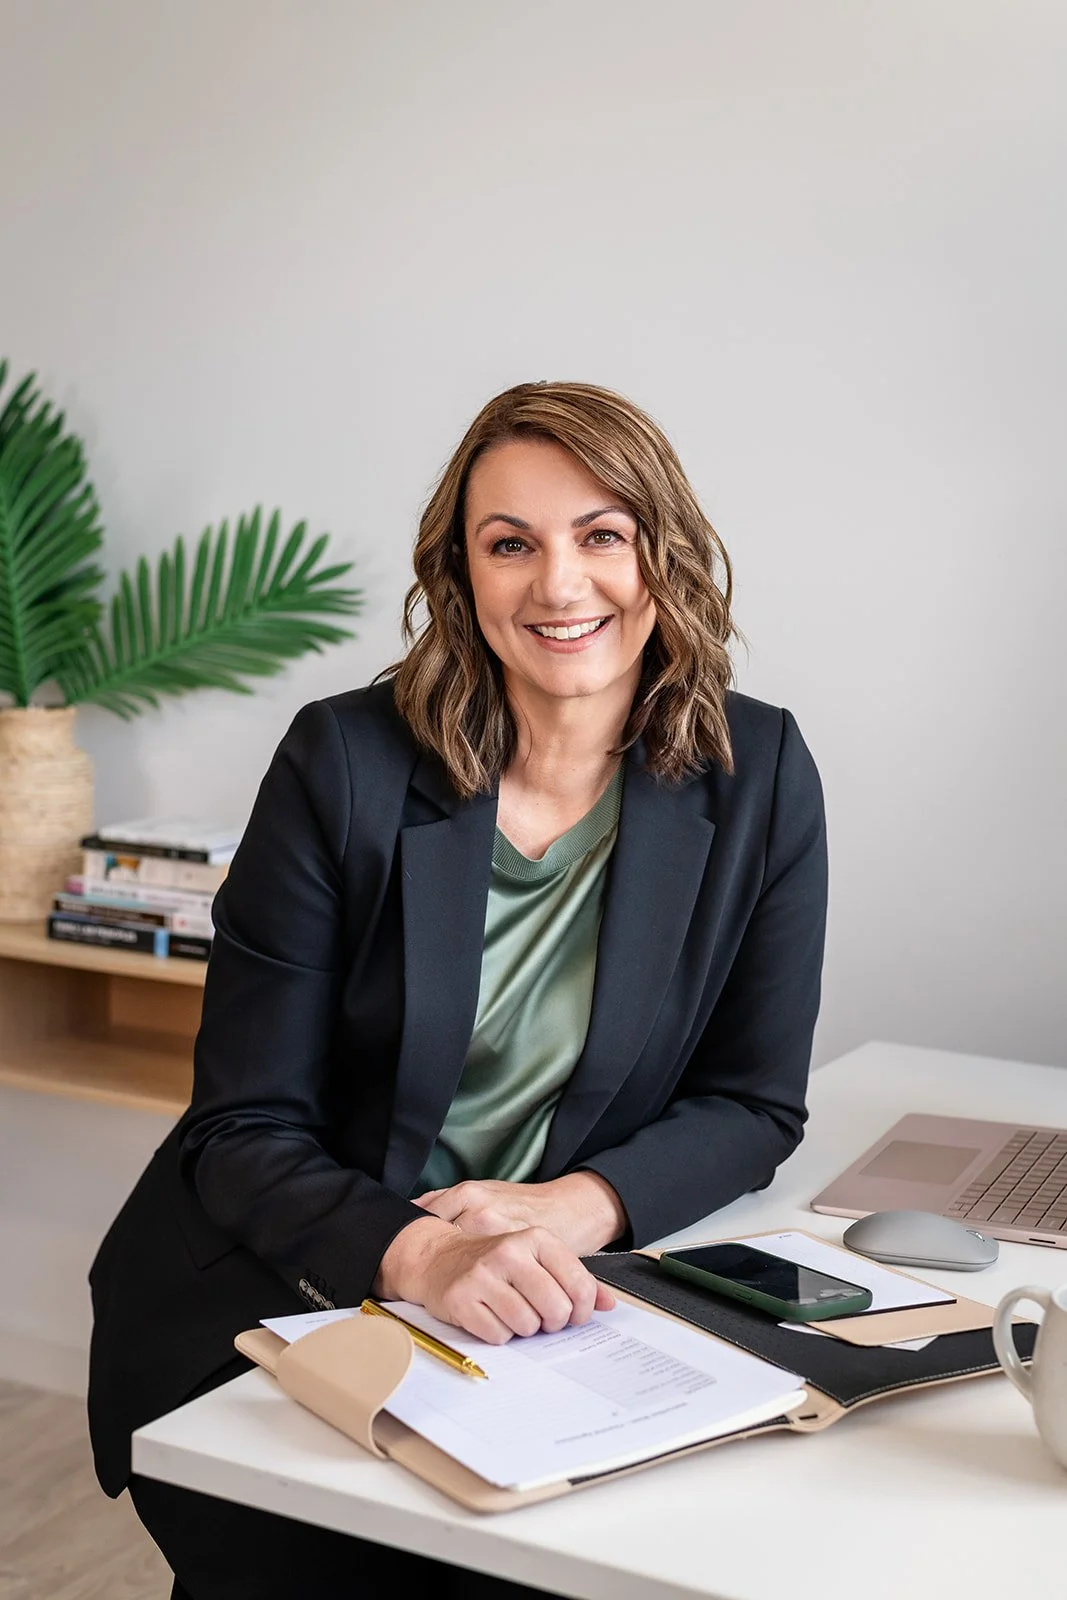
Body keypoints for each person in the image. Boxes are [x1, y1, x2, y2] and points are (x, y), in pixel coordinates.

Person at [88, 380, 828, 1599]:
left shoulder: (759, 774)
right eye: (509, 544)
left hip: (549, 1311)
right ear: (457, 574)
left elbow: (754, 1099)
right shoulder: (342, 761)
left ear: (663, 554)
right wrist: (419, 1256)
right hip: (301, 1281)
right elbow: (238, 1127)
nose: (559, 584)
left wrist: (575, 1208)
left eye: (601, 534)